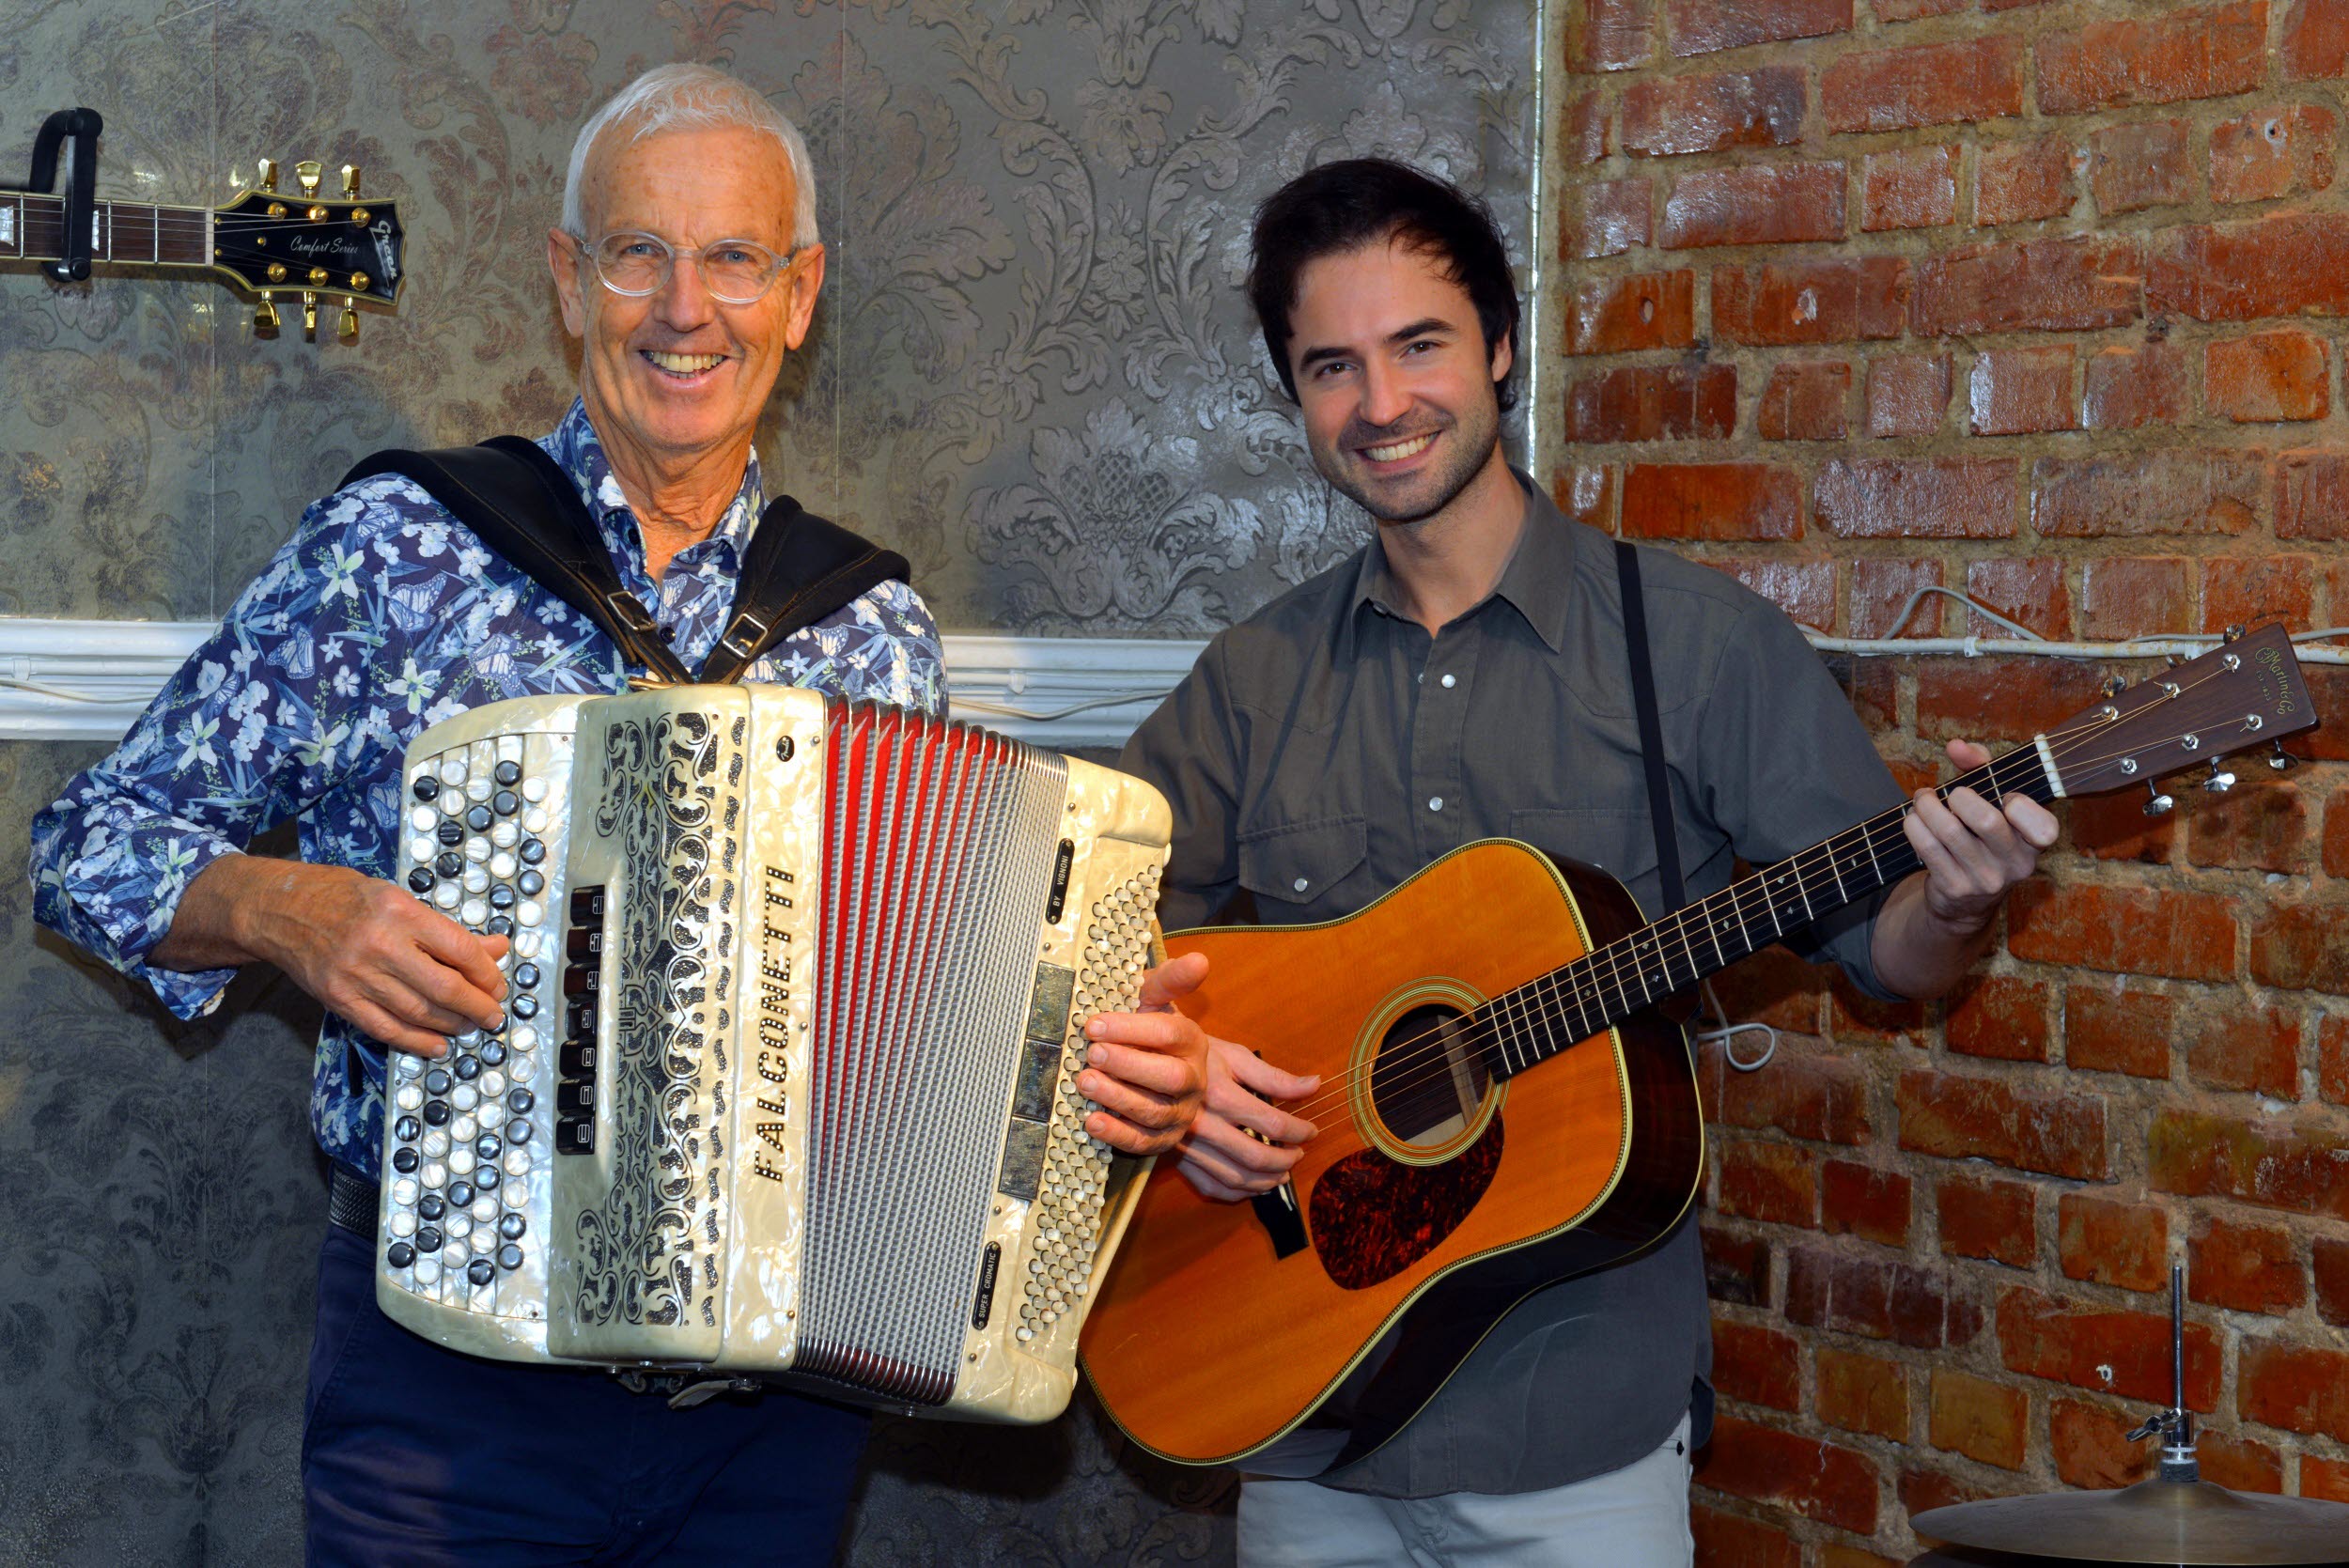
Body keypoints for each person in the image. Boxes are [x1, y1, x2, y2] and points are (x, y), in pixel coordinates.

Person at [30, 63, 1207, 1566]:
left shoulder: (871, 631)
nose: (684, 309)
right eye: (639, 253)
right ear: (570, 280)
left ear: (800, 295)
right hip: (453, 1397)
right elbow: (88, 842)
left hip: (774, 1422)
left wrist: (1091, 1067)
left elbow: (930, 1038)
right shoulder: (399, 548)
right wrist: (286, 910)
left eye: (735, 260)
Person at [1113, 158, 2056, 1566]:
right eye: (1332, 367)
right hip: (1298, 1416)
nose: (1380, 403)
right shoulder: (1255, 680)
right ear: (1295, 397)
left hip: (1576, 1434)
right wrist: (1177, 1074)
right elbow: (1073, 935)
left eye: (1419, 345)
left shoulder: (1698, 651)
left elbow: (1891, 950)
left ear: (1500, 346)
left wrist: (1961, 900)